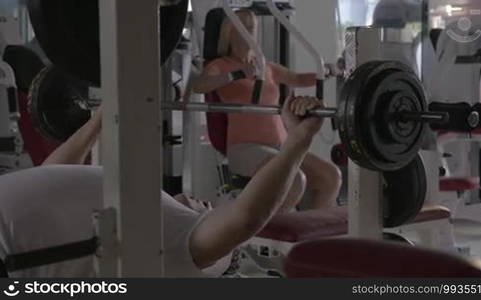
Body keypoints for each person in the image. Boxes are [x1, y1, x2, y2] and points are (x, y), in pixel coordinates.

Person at [0, 96, 325, 278]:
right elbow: (54, 173)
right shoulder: (142, 207)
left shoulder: (167, 240)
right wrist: (97, 121)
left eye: (208, 210)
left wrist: (298, 141)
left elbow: (244, 219)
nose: (205, 203)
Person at [193, 9, 342, 211]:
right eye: (241, 27)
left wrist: (324, 71)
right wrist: (235, 74)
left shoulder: (265, 66)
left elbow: (297, 79)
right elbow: (200, 85)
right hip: (245, 148)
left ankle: (313, 234)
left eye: (251, 27)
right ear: (229, 32)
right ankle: (272, 232)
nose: (247, 32)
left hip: (280, 146)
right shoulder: (221, 65)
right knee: (294, 180)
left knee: (330, 176)